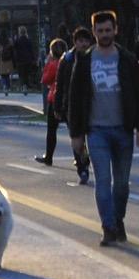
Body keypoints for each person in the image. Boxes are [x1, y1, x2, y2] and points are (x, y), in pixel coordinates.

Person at [59, 10, 139, 244]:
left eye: (108, 30)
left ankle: (118, 220)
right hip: (96, 132)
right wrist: (76, 134)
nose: (104, 34)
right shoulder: (85, 60)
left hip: (123, 130)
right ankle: (108, 227)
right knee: (103, 181)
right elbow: (75, 98)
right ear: (94, 31)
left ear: (115, 30)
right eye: (100, 30)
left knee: (122, 185)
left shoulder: (126, 59)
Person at [51, 28, 94, 182]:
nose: (83, 44)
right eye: (80, 41)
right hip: (71, 105)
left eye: (86, 41)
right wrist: (57, 106)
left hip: (91, 105)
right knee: (77, 138)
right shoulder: (67, 59)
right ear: (75, 42)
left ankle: (86, 158)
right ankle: (82, 166)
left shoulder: (94, 57)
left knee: (92, 138)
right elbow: (60, 84)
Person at [35, 36, 68, 166]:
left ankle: (49, 157)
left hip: (54, 98)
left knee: (52, 130)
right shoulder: (69, 61)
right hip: (68, 99)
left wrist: (48, 63)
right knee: (75, 131)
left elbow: (45, 79)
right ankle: (81, 157)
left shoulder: (54, 64)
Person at [12, 28, 37, 93]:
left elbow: (14, 48)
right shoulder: (28, 40)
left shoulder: (17, 40)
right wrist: (33, 59)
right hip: (28, 60)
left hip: (20, 60)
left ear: (19, 32)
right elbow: (31, 50)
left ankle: (23, 86)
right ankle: (27, 85)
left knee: (21, 74)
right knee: (26, 73)